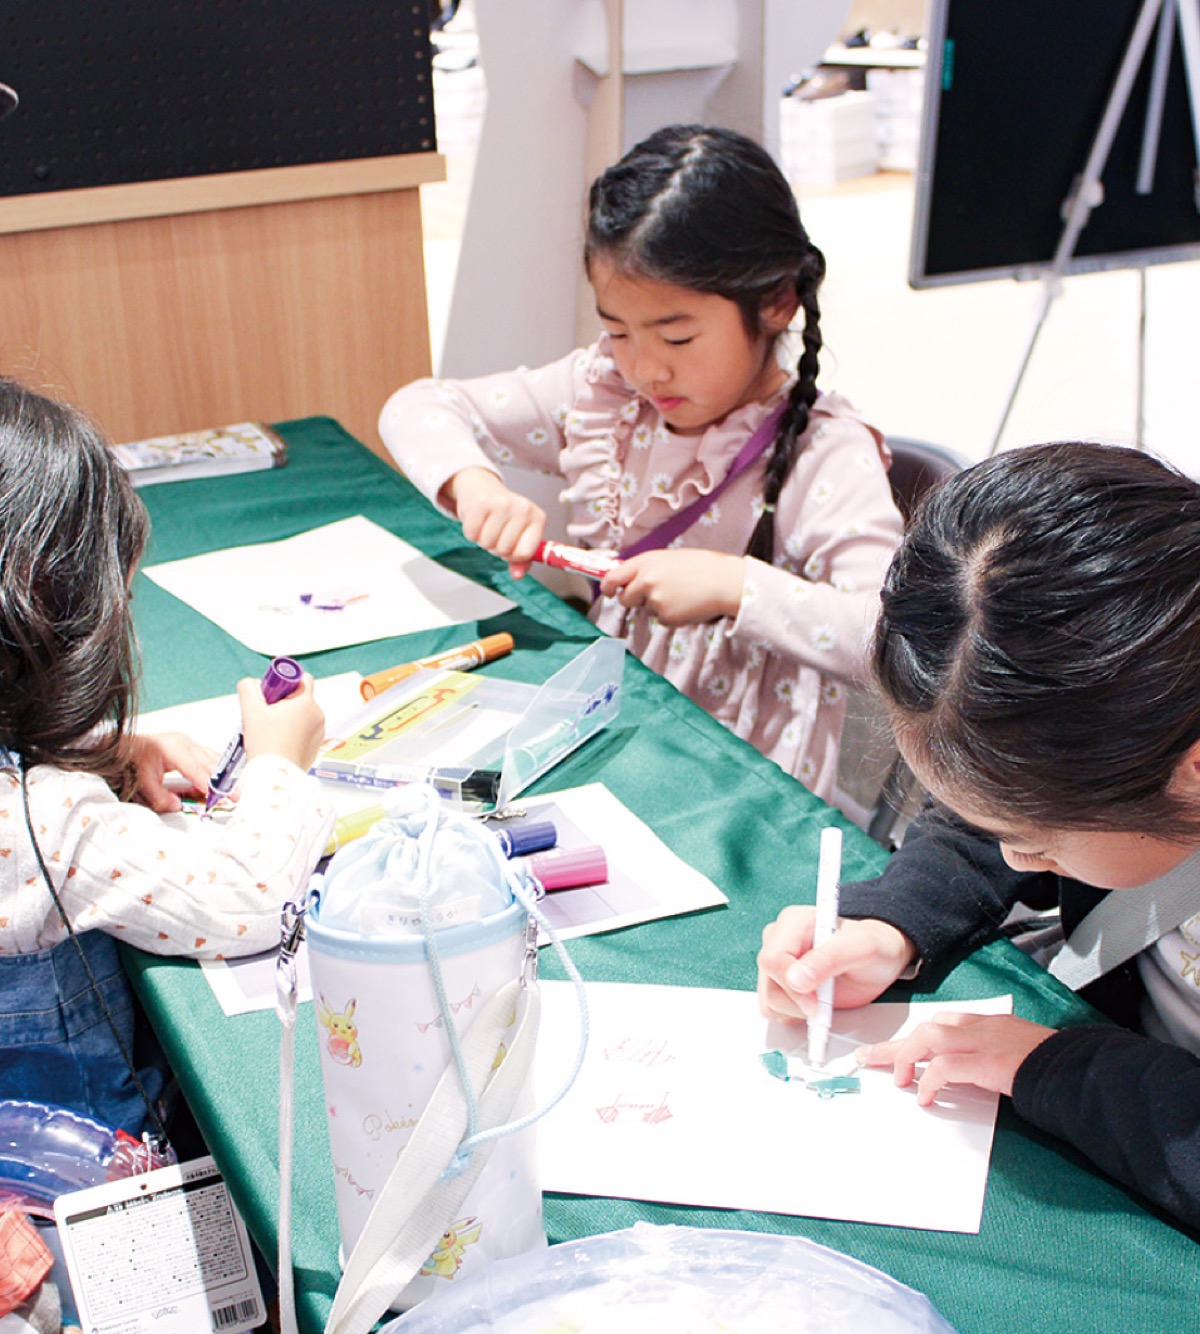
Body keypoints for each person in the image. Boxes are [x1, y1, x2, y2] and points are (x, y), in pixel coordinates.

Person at [380, 124, 902, 809]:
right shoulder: (607, 395)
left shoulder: (824, 452)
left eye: (677, 337)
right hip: (614, 740)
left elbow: (891, 635)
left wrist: (735, 586)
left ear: (777, 301)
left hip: (741, 793)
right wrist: (475, 487)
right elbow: (416, 406)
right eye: (617, 330)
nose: (645, 368)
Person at [757, 441, 1200, 1230]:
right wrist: (893, 922)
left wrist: (1057, 1067)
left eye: (1035, 839)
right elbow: (987, 817)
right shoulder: (1134, 727)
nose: (1012, 857)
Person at [0, 378, 335, 1137]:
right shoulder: (43, 825)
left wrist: (100, 752)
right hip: (81, 1162)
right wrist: (281, 763)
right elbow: (251, 897)